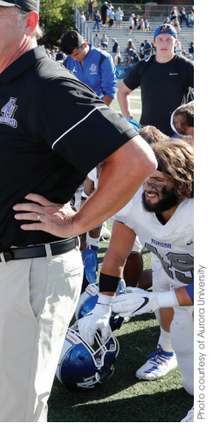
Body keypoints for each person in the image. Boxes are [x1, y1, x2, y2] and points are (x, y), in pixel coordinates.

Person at [0, 0, 155, 422]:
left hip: (31, 273)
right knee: (13, 408)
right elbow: (1, 183)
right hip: (7, 268)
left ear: (29, 20)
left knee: (12, 414)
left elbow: (137, 160)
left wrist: (78, 223)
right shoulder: (5, 82)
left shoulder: (47, 84)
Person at [80, 140, 193, 401]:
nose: (147, 187)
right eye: (145, 178)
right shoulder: (134, 205)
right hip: (183, 289)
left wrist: (155, 299)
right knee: (192, 386)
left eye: (157, 179)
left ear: (182, 180)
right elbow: (116, 254)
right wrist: (102, 308)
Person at [118, 24, 194, 136]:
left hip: (179, 134)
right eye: (160, 39)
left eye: (169, 39)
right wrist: (129, 118)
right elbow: (122, 92)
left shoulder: (185, 66)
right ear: (154, 42)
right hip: (148, 133)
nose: (164, 43)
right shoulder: (143, 66)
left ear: (176, 42)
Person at [59, 30, 117, 106]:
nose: (74, 59)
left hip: (97, 105)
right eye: (71, 56)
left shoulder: (103, 58)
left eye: (77, 54)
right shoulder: (67, 62)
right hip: (75, 107)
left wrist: (97, 112)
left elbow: (109, 92)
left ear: (85, 45)